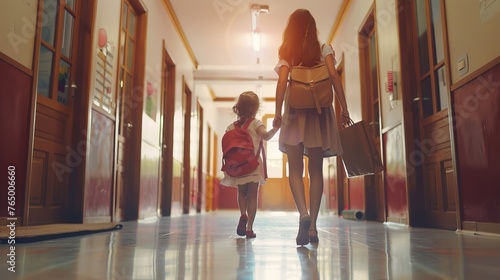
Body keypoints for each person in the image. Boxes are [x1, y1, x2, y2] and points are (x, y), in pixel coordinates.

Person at [273, 9, 350, 245]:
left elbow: (282, 82)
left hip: (295, 114)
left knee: (295, 170)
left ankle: (303, 214)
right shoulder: (324, 48)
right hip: (319, 113)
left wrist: (277, 112)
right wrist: (344, 109)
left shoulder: (287, 51)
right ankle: (314, 227)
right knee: (316, 171)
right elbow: (334, 77)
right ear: (313, 26)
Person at [220, 91, 280, 239]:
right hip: (253, 165)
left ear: (238, 108)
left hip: (237, 167)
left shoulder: (230, 127)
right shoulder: (256, 123)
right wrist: (276, 128)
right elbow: (266, 136)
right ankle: (249, 228)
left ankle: (243, 214)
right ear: (255, 108)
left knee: (241, 193)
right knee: (252, 195)